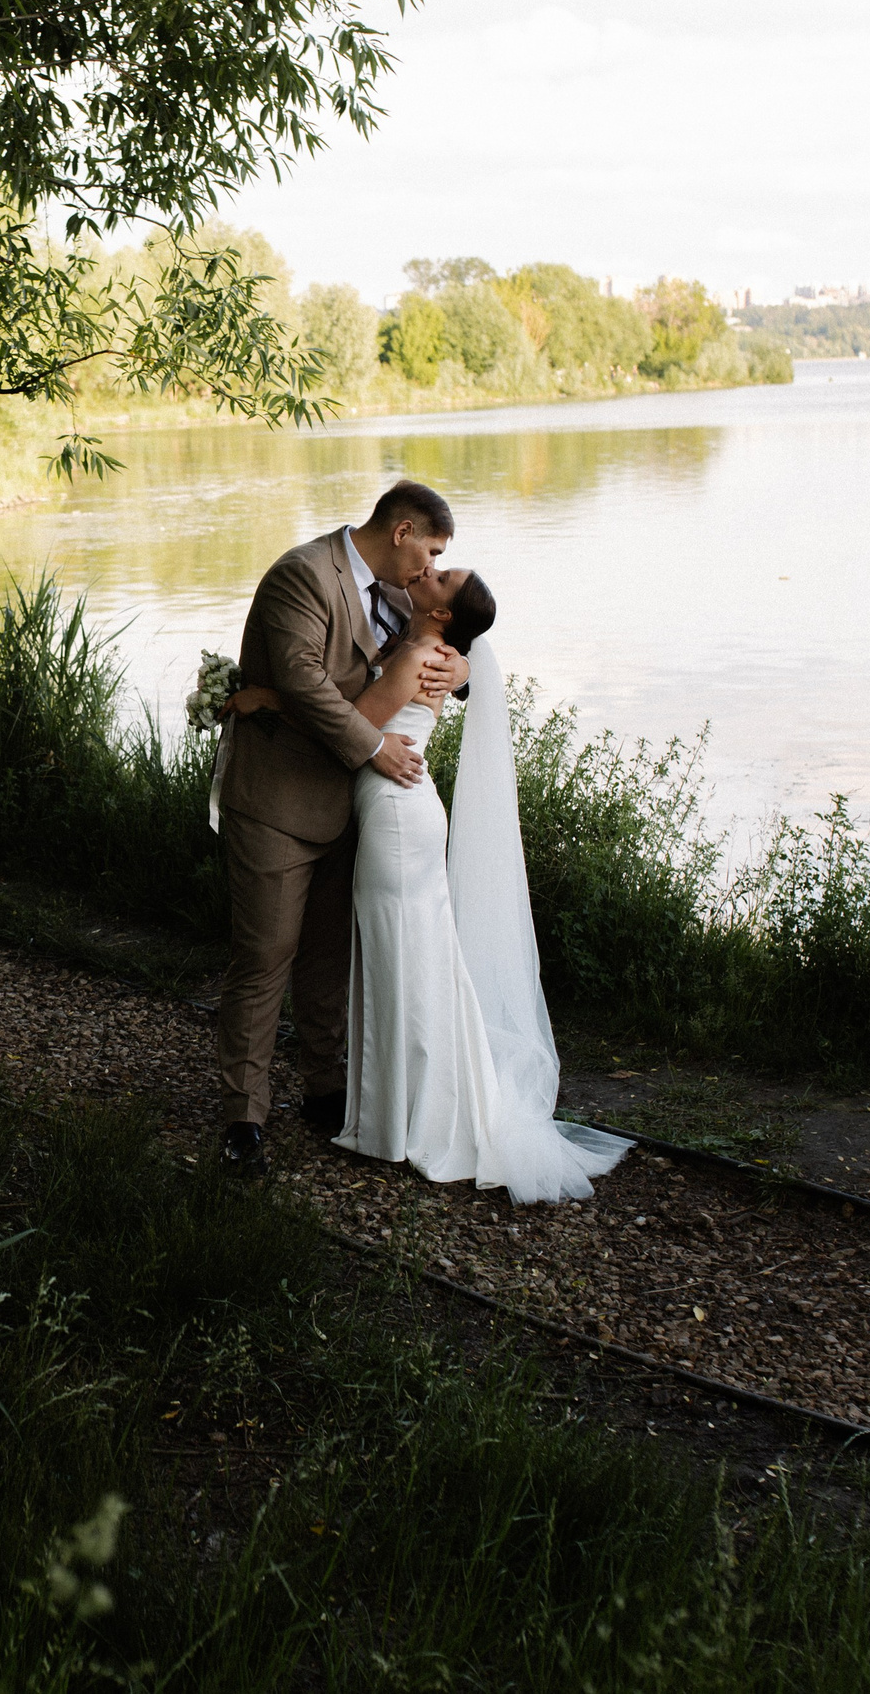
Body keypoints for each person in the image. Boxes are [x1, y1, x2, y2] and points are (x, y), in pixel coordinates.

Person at [226, 559, 631, 1203]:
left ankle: (407, 1118)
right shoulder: (423, 641)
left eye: (442, 577)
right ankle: (410, 1103)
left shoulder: (421, 653)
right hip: (400, 813)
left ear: (443, 612)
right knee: (415, 961)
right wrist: (462, 665)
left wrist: (265, 698)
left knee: (402, 960)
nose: (429, 571)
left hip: (394, 819)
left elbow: (349, 722)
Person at [211, 481, 470, 1176]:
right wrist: (375, 747)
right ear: (402, 528)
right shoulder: (303, 574)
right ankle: (244, 1118)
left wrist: (463, 666)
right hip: (277, 800)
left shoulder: (392, 590)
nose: (430, 566)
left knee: (328, 960)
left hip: (351, 808)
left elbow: (429, 639)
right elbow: (304, 684)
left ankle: (325, 1091)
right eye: (432, 550)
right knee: (266, 955)